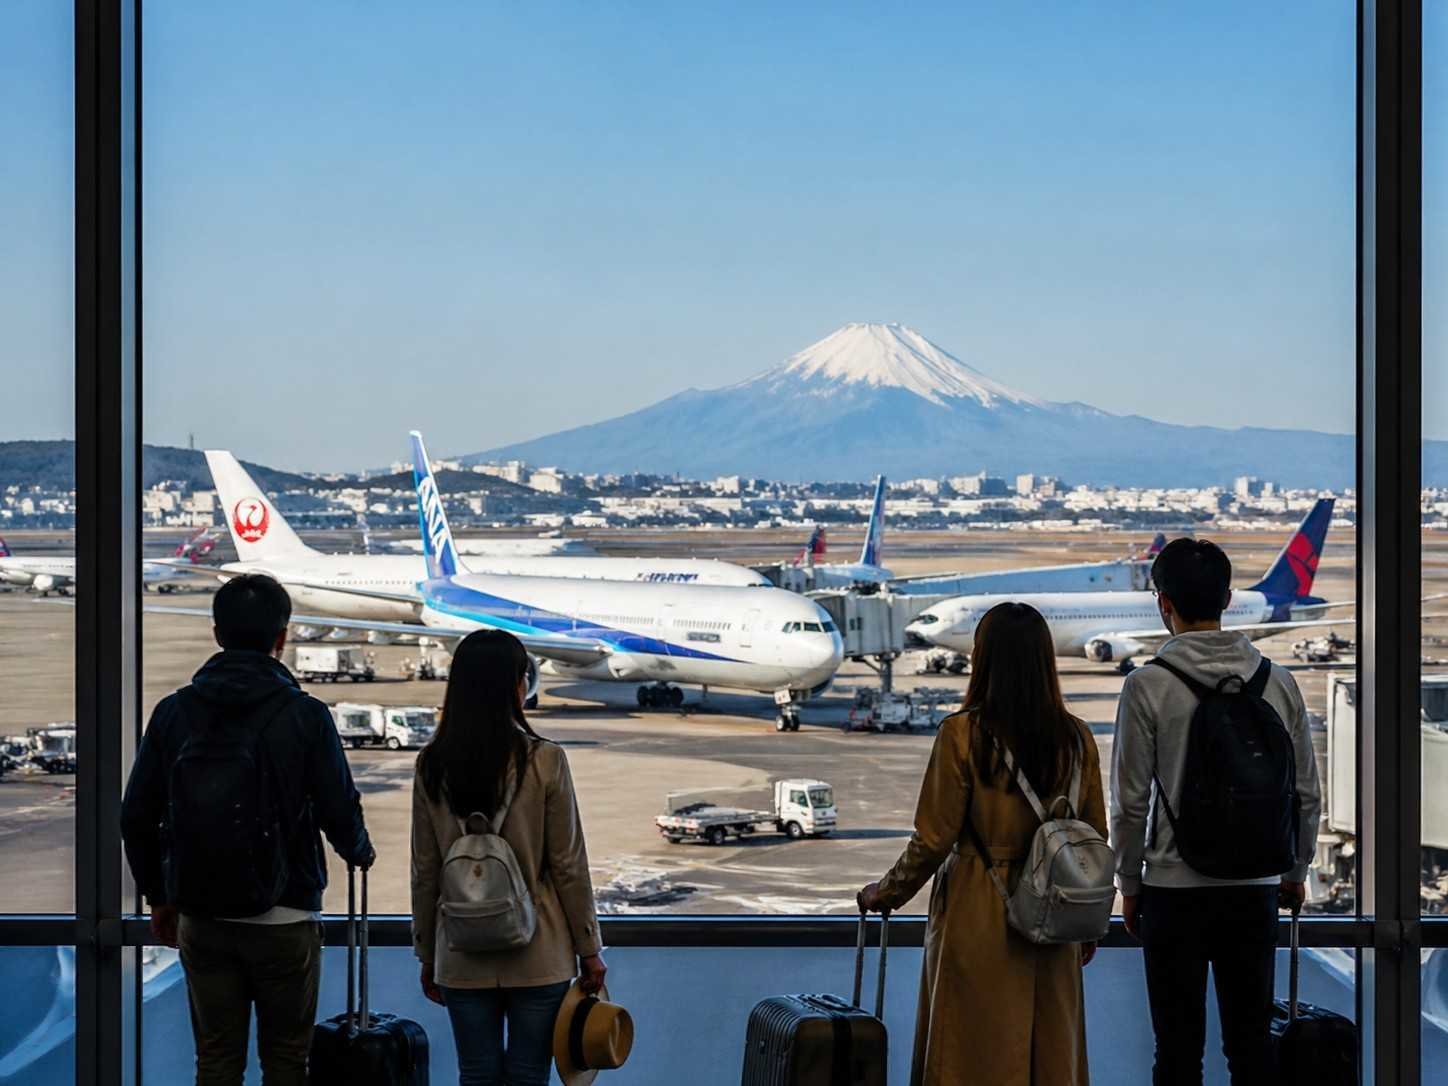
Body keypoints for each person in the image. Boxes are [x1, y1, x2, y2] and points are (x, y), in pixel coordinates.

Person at [120, 573, 374, 1086]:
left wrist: (159, 895)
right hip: (285, 909)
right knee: (286, 1060)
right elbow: (336, 809)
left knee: (216, 1058)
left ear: (217, 633)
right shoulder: (306, 715)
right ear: (283, 635)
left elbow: (136, 815)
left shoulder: (174, 712)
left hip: (201, 910)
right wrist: (359, 851)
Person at [859, 601, 1106, 1085]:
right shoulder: (1076, 738)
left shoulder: (963, 734)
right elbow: (1093, 837)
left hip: (980, 907)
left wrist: (885, 893)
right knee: (1049, 1053)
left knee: (969, 1054)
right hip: (1055, 912)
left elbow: (933, 838)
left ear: (983, 658)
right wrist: (1089, 923)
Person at [1112, 538, 1322, 1085]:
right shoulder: (1277, 681)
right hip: (1254, 888)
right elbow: (1306, 791)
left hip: (1173, 893)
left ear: (1163, 603)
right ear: (1229, 598)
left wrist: (1130, 884)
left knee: (1177, 1053)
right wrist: (1295, 872)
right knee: (1252, 1048)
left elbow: (1131, 801)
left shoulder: (1147, 685)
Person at [411, 629, 606, 1086]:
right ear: (517, 685)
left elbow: (425, 870)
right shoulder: (546, 760)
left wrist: (427, 952)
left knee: (475, 1073)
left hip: (460, 947)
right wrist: (589, 949)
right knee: (528, 1074)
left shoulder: (432, 764)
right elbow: (568, 866)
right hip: (539, 948)